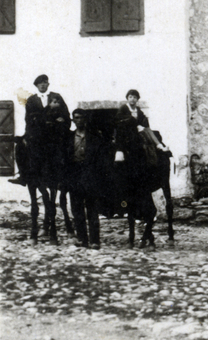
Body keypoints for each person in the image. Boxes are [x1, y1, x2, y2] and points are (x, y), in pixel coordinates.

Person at [11, 74, 70, 188]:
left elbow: (65, 115)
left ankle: (62, 181)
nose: (42, 85)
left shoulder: (56, 97)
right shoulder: (32, 100)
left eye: (45, 82)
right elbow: (30, 120)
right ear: (36, 85)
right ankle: (23, 176)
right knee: (20, 147)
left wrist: (61, 122)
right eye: (40, 83)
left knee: (65, 152)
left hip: (55, 135)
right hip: (39, 136)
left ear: (48, 84)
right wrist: (49, 110)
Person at [66, 109, 107, 249]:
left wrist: (99, 178)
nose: (79, 120)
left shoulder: (95, 137)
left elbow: (101, 160)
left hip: (90, 176)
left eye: (82, 118)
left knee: (92, 209)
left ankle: (95, 240)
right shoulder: (69, 138)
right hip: (74, 176)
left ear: (85, 119)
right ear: (73, 120)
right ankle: (82, 239)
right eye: (76, 118)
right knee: (77, 209)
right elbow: (64, 159)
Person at [115, 90, 169, 167]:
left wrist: (143, 123)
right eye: (130, 97)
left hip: (137, 129)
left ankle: (159, 145)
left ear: (137, 99)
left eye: (135, 97)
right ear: (127, 98)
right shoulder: (124, 108)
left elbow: (142, 118)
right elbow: (119, 118)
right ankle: (120, 152)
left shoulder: (138, 109)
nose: (132, 99)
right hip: (127, 130)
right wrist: (132, 121)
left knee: (148, 130)